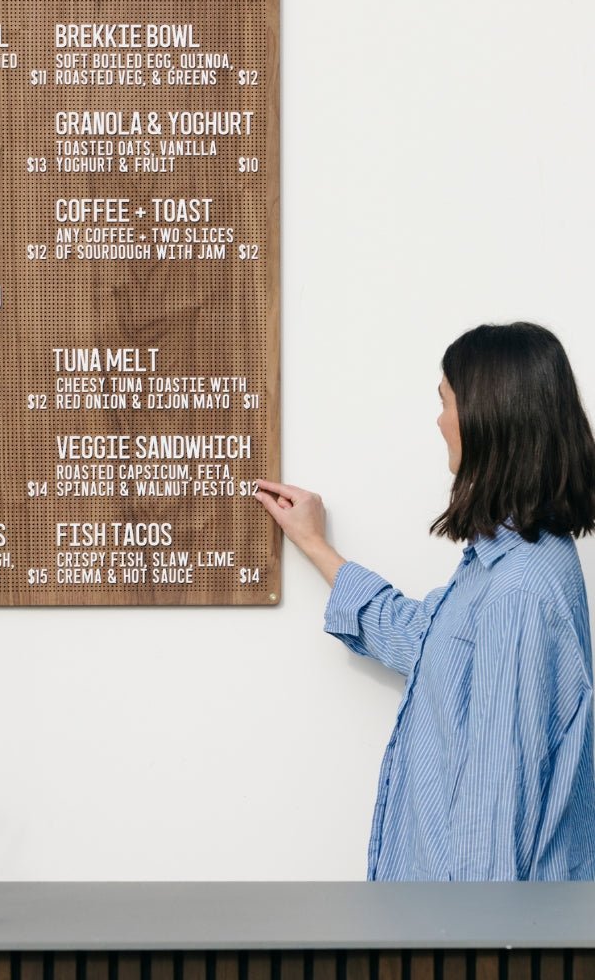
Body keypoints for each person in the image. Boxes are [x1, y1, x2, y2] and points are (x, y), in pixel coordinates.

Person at [255, 321, 595, 880]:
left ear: (489, 416)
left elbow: (492, 823)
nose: (439, 422)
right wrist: (317, 546)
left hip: (463, 942)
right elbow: (429, 641)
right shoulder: (515, 561)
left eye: (445, 401)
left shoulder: (519, 593)